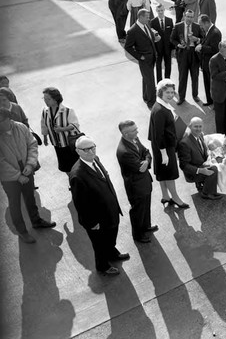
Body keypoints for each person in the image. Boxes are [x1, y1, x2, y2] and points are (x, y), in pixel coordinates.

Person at [70, 136, 128, 275]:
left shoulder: (95, 159)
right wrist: (91, 222)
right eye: (86, 149)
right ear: (78, 151)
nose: (91, 151)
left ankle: (112, 253)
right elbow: (80, 203)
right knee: (100, 244)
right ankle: (103, 266)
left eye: (93, 147)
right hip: (97, 219)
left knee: (111, 235)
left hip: (110, 210)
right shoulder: (77, 175)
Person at [0, 108, 56, 244]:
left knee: (30, 198)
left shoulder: (21, 128)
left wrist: (30, 165)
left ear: (8, 119)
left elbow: (32, 145)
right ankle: (23, 232)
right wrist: (17, 176)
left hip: (27, 170)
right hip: (10, 179)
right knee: (15, 204)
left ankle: (36, 221)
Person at [148, 79, 189, 209]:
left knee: (162, 172)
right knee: (169, 173)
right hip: (164, 147)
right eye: (168, 93)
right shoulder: (160, 110)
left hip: (160, 146)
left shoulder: (160, 105)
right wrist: (164, 153)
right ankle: (176, 198)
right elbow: (158, 134)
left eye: (172, 92)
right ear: (160, 92)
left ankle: (165, 196)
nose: (171, 95)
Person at [116, 120, 158, 243]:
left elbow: (146, 152)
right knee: (138, 211)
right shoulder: (124, 152)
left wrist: (146, 161)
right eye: (134, 130)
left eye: (136, 128)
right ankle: (138, 235)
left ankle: (146, 226)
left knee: (146, 206)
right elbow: (139, 168)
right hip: (136, 186)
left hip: (144, 182)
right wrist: (145, 161)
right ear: (125, 134)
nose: (137, 131)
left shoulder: (134, 138)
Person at [178, 117, 222, 200]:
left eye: (200, 126)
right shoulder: (184, 143)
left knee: (219, 163)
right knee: (214, 169)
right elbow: (183, 165)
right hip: (193, 172)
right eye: (195, 126)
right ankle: (207, 193)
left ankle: (201, 185)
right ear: (190, 126)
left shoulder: (200, 135)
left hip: (201, 163)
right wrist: (201, 170)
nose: (198, 129)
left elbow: (203, 149)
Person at [40, 87, 80, 174]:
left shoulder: (67, 110)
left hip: (68, 144)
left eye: (48, 99)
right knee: (65, 167)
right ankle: (71, 181)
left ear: (55, 99)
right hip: (57, 144)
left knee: (75, 166)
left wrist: (62, 129)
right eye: (44, 98)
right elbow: (44, 125)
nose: (45, 101)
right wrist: (45, 137)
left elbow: (75, 125)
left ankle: (76, 181)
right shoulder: (45, 111)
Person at [124, 8, 159, 108]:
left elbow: (149, 38)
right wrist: (140, 56)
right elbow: (128, 46)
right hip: (144, 59)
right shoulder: (133, 31)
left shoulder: (145, 25)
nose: (149, 19)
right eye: (147, 17)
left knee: (146, 79)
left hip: (151, 57)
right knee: (151, 81)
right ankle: (151, 102)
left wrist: (155, 38)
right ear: (140, 17)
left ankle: (146, 96)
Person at [170, 9, 204, 105]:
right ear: (184, 16)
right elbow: (172, 39)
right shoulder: (178, 26)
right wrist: (178, 45)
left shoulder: (197, 26)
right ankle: (181, 97)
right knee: (182, 76)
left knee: (195, 76)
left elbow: (204, 39)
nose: (189, 19)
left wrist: (196, 39)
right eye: (188, 16)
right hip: (183, 53)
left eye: (191, 17)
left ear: (193, 17)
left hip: (194, 53)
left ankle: (195, 95)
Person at [196, 14, 222, 106]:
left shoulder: (215, 32)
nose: (201, 27)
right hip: (206, 63)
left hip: (211, 64)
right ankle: (210, 100)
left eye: (201, 25)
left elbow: (214, 49)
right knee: (207, 83)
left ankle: (215, 102)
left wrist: (202, 47)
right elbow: (206, 41)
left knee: (212, 85)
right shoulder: (209, 31)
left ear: (207, 23)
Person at [150, 4, 174, 81]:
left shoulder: (169, 20)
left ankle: (167, 81)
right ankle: (159, 82)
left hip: (168, 48)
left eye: (162, 10)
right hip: (158, 48)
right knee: (158, 66)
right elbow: (152, 36)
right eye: (159, 11)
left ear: (164, 10)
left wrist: (173, 48)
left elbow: (172, 35)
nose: (160, 12)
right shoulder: (153, 22)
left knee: (168, 65)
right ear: (156, 11)